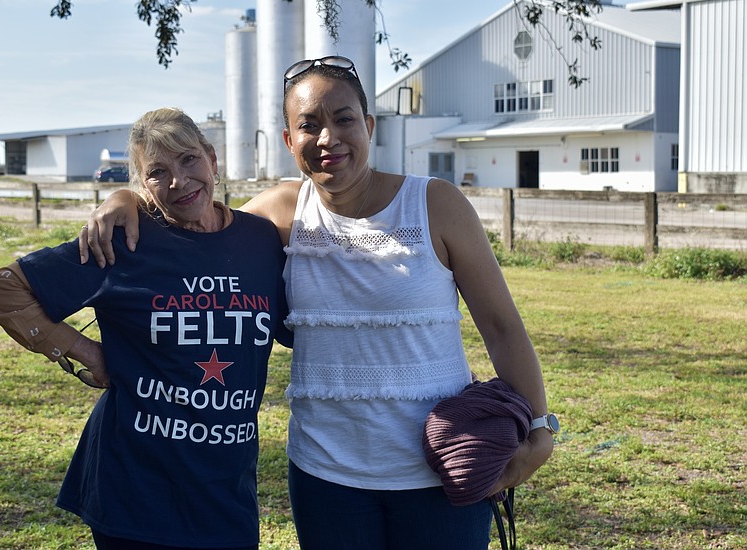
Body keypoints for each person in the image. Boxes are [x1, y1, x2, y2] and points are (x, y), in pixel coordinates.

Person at [81, 56, 554, 550]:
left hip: (438, 472)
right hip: (326, 475)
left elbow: (501, 327)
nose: (328, 138)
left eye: (344, 119)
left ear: (368, 126)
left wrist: (539, 430)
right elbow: (197, 225)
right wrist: (125, 199)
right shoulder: (282, 212)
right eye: (309, 125)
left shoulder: (435, 203)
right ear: (290, 141)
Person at [0, 107, 291, 550]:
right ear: (143, 183)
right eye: (158, 172)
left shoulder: (260, 240)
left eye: (188, 160)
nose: (179, 181)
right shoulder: (125, 242)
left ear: (213, 160)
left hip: (226, 489)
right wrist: (88, 354)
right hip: (135, 490)